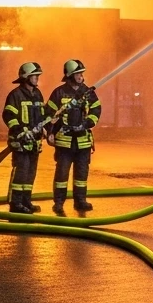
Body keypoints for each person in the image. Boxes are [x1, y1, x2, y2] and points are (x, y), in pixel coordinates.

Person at [46, 59, 102, 215]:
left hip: (83, 141)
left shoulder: (87, 92)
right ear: (70, 75)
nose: (81, 76)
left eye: (82, 73)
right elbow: (49, 114)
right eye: (78, 73)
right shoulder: (59, 93)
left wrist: (87, 123)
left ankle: (80, 201)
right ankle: (58, 203)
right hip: (64, 142)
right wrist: (50, 132)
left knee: (81, 174)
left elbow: (96, 110)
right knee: (61, 174)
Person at [2, 62, 46, 215]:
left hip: (34, 142)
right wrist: (21, 131)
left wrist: (45, 128)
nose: (37, 78)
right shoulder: (15, 95)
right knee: (20, 172)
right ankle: (15, 203)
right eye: (35, 76)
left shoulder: (38, 94)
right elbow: (8, 115)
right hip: (21, 142)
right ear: (26, 77)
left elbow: (41, 116)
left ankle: (26, 201)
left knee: (30, 173)